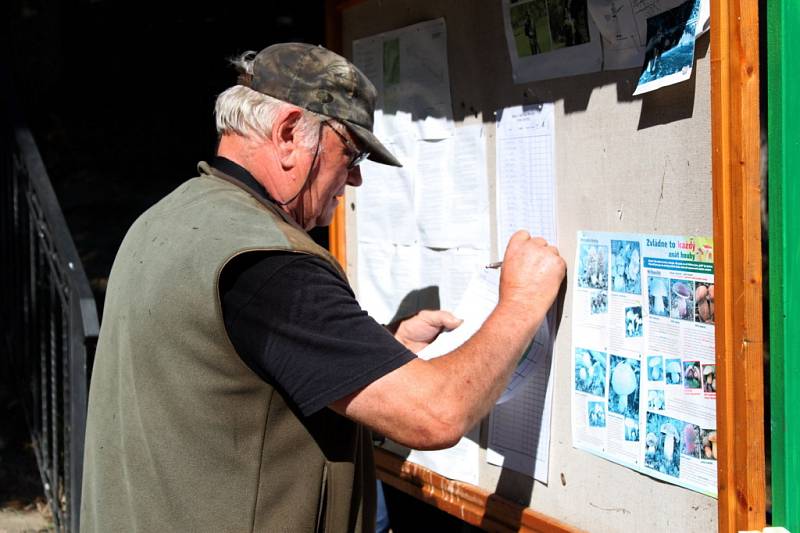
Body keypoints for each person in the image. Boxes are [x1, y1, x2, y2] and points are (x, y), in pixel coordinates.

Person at [80, 43, 566, 532]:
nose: (354, 179)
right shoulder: (270, 262)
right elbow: (438, 414)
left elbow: (234, 370)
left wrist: (378, 354)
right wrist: (522, 301)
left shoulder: (166, 218)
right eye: (350, 154)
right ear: (290, 133)